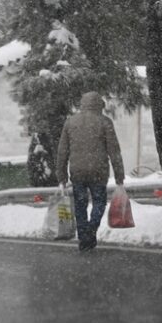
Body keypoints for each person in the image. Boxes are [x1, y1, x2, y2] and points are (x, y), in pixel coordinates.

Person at [56, 91, 125, 251]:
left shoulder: (70, 122)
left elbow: (62, 151)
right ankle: (91, 230)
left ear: (82, 104)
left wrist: (61, 175)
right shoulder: (105, 122)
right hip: (98, 171)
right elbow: (114, 151)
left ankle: (84, 239)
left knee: (80, 205)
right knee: (99, 202)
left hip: (77, 172)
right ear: (100, 105)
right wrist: (119, 175)